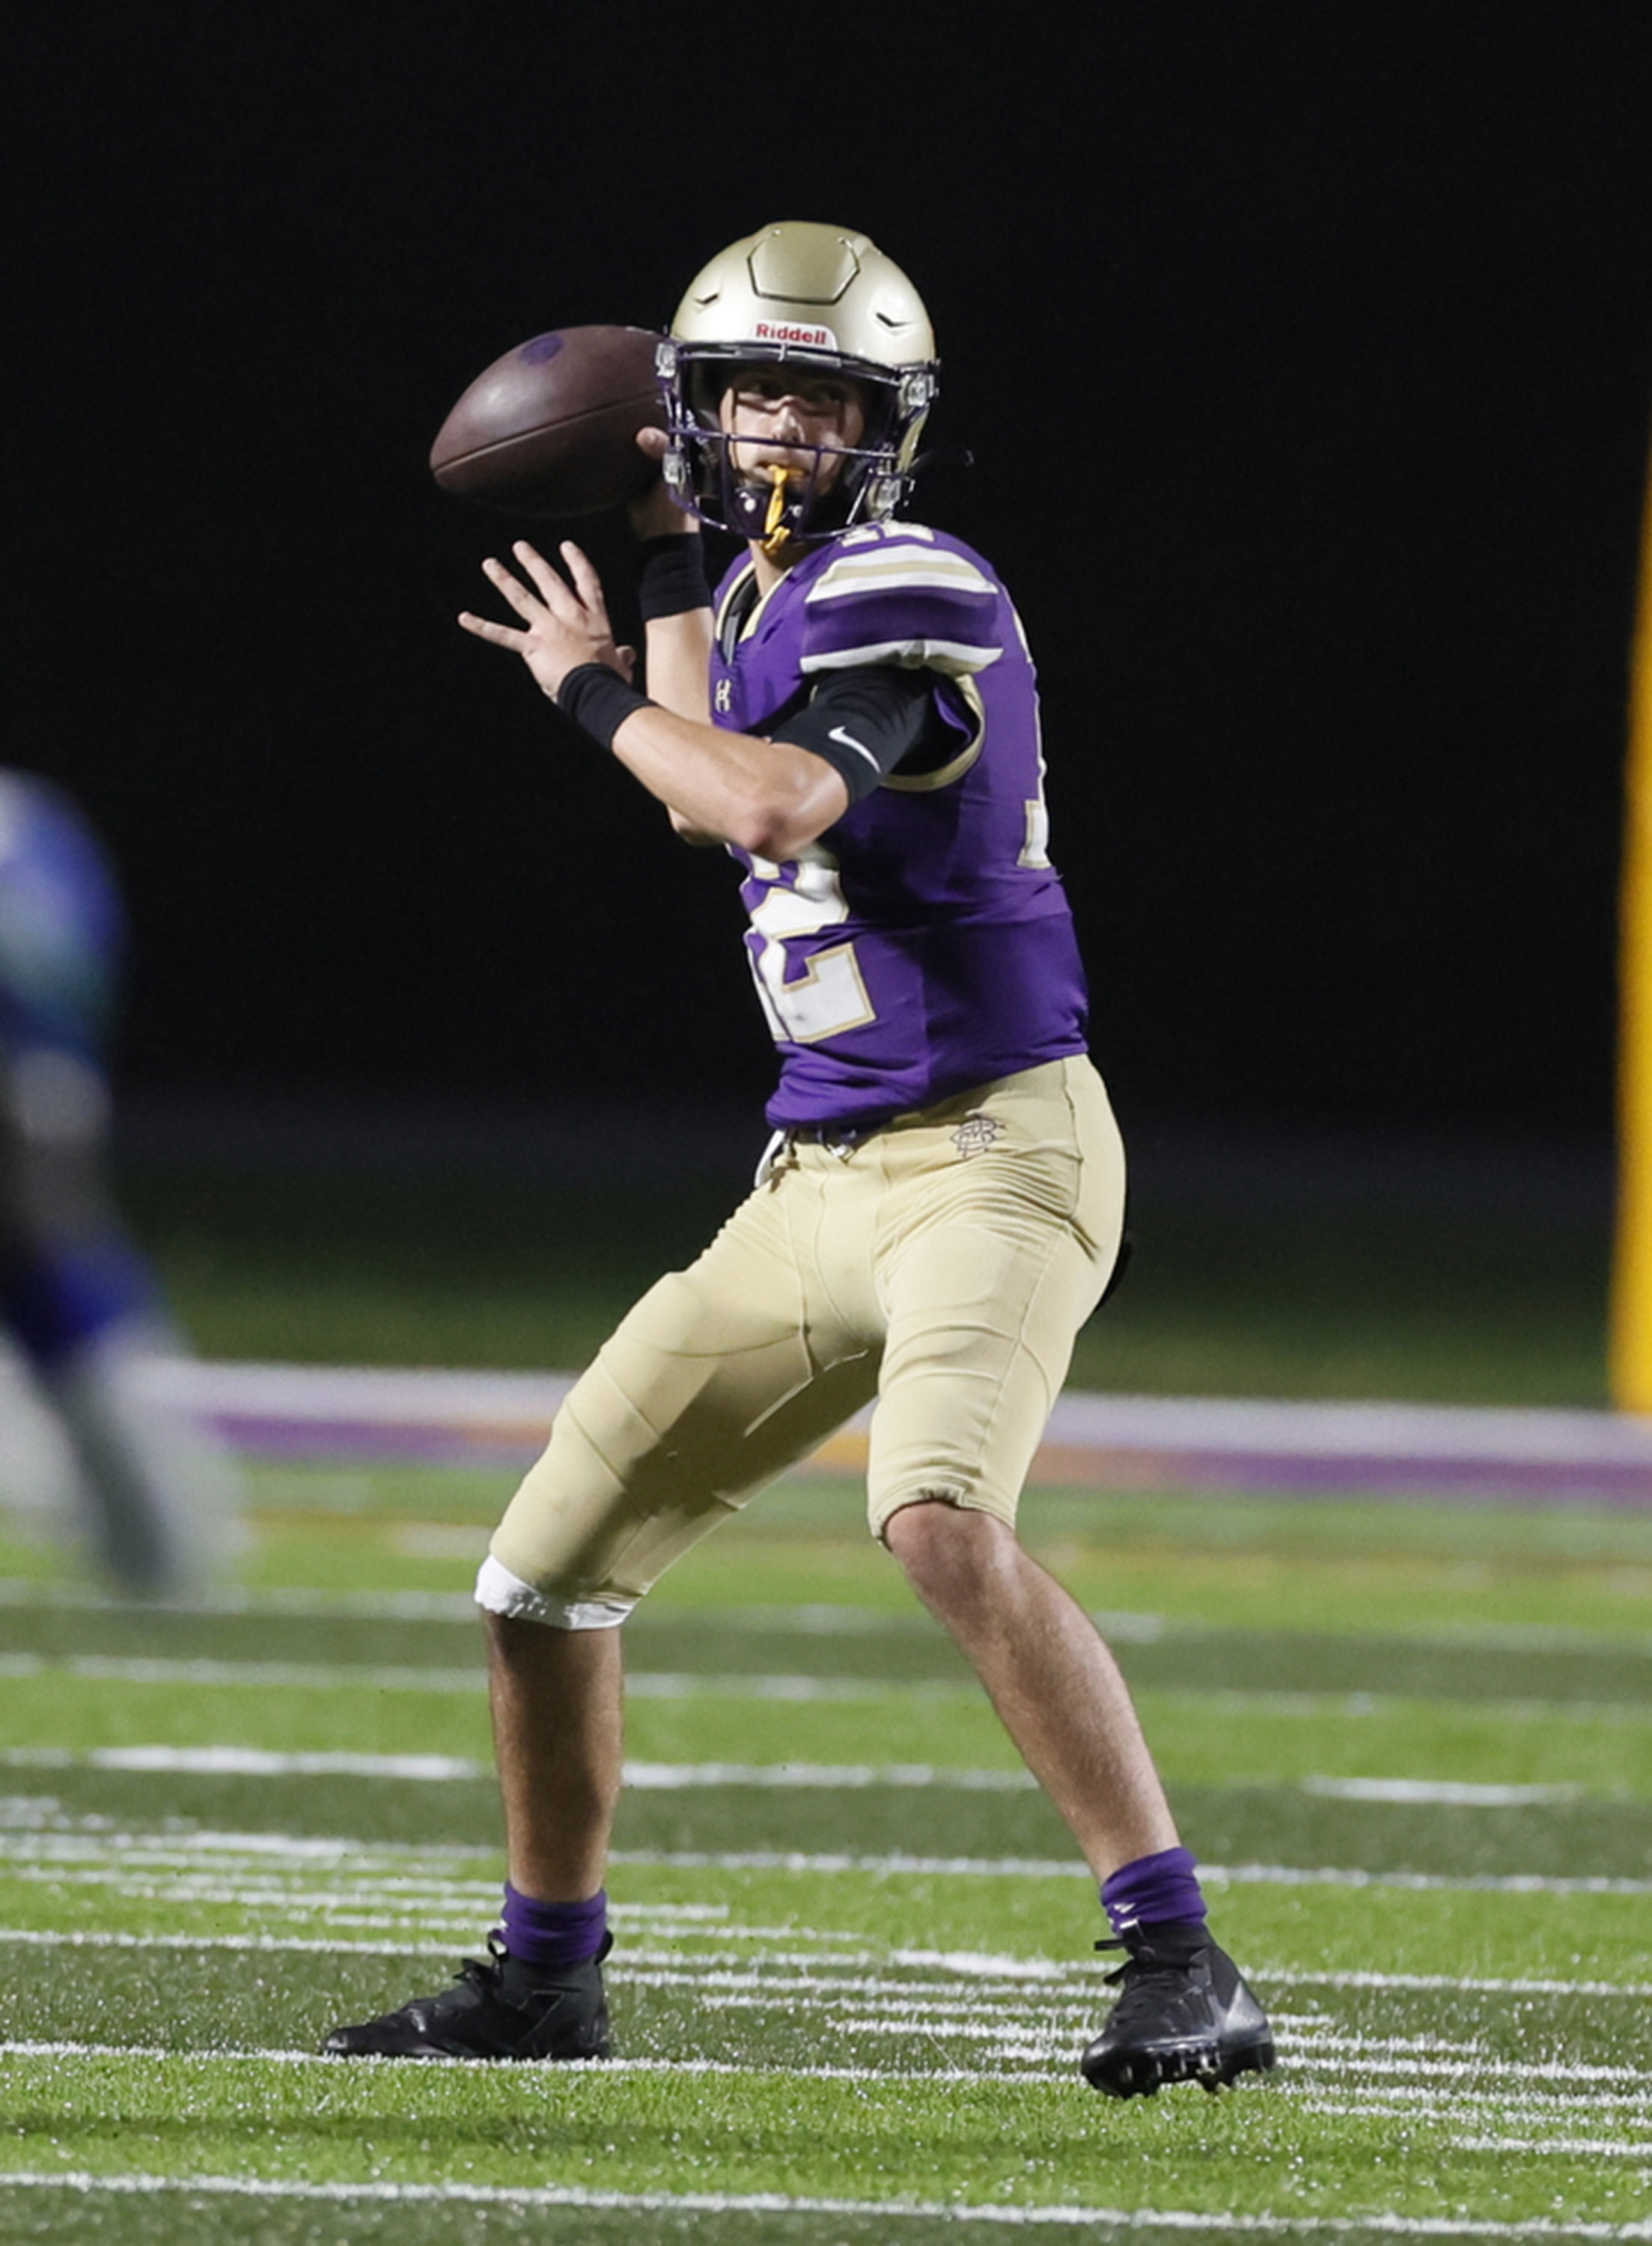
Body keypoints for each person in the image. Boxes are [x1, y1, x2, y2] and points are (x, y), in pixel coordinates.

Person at [323, 222, 1275, 2098]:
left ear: (886, 427)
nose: (782, 428)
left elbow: (755, 793)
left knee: (932, 1515)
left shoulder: (914, 583)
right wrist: (663, 568)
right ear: (689, 409)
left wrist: (587, 687)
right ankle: (545, 1977)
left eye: (821, 397)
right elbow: (710, 777)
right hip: (814, 1177)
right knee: (540, 1580)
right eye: (751, 389)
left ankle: (1184, 1957)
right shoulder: (767, 593)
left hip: (991, 1158)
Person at [0, 767, 241, 1595]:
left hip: (24, 1078)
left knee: (54, 1284)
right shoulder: (27, 822)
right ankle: (162, 1564)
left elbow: (54, 968)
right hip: (35, 1081)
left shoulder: (20, 827)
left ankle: (162, 1562)